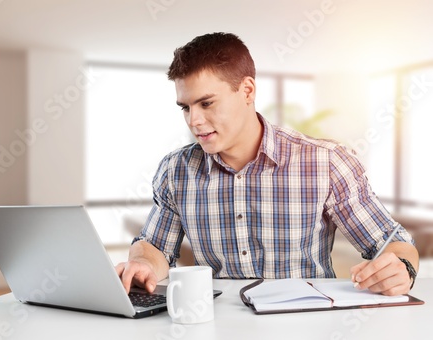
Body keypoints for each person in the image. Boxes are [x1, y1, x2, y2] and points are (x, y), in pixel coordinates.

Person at [115, 32, 419, 296]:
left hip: (308, 323)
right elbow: (154, 246)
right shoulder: (176, 170)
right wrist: (142, 265)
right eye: (186, 107)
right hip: (217, 324)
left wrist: (401, 268)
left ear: (247, 91)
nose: (194, 120)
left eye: (206, 103)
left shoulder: (326, 162)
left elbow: (394, 245)